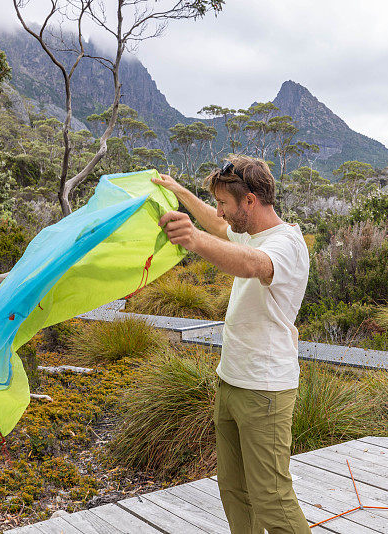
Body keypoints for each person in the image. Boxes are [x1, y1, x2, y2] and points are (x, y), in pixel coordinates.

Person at [153, 155, 312, 534]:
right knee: (234, 492)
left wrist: (193, 239)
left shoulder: (285, 243)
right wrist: (177, 191)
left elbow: (252, 264)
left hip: (266, 390)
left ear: (251, 201)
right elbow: (218, 225)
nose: (221, 211)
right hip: (232, 381)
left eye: (226, 203)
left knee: (272, 499)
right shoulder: (251, 230)